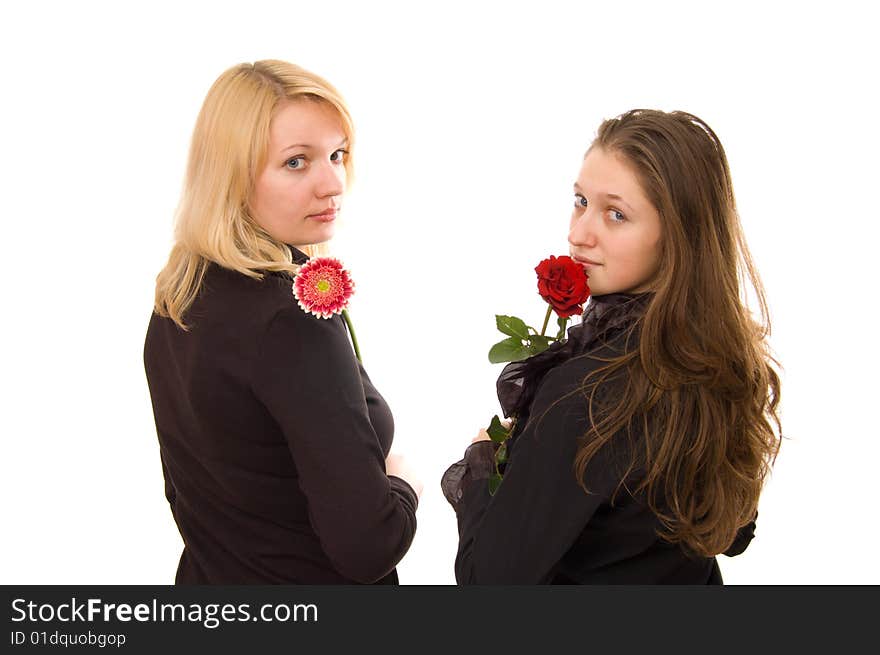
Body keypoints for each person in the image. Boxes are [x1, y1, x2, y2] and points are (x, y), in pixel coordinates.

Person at [442, 109, 781, 583]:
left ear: (677, 237)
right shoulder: (724, 360)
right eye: (580, 201)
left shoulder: (584, 392)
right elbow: (731, 532)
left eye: (616, 214)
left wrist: (480, 469)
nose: (577, 233)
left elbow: (488, 583)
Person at [144, 60, 422, 584]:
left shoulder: (178, 294)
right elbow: (367, 547)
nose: (333, 182)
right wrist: (402, 487)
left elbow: (190, 493)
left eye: (337, 154)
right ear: (231, 176)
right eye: (297, 162)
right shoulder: (291, 319)